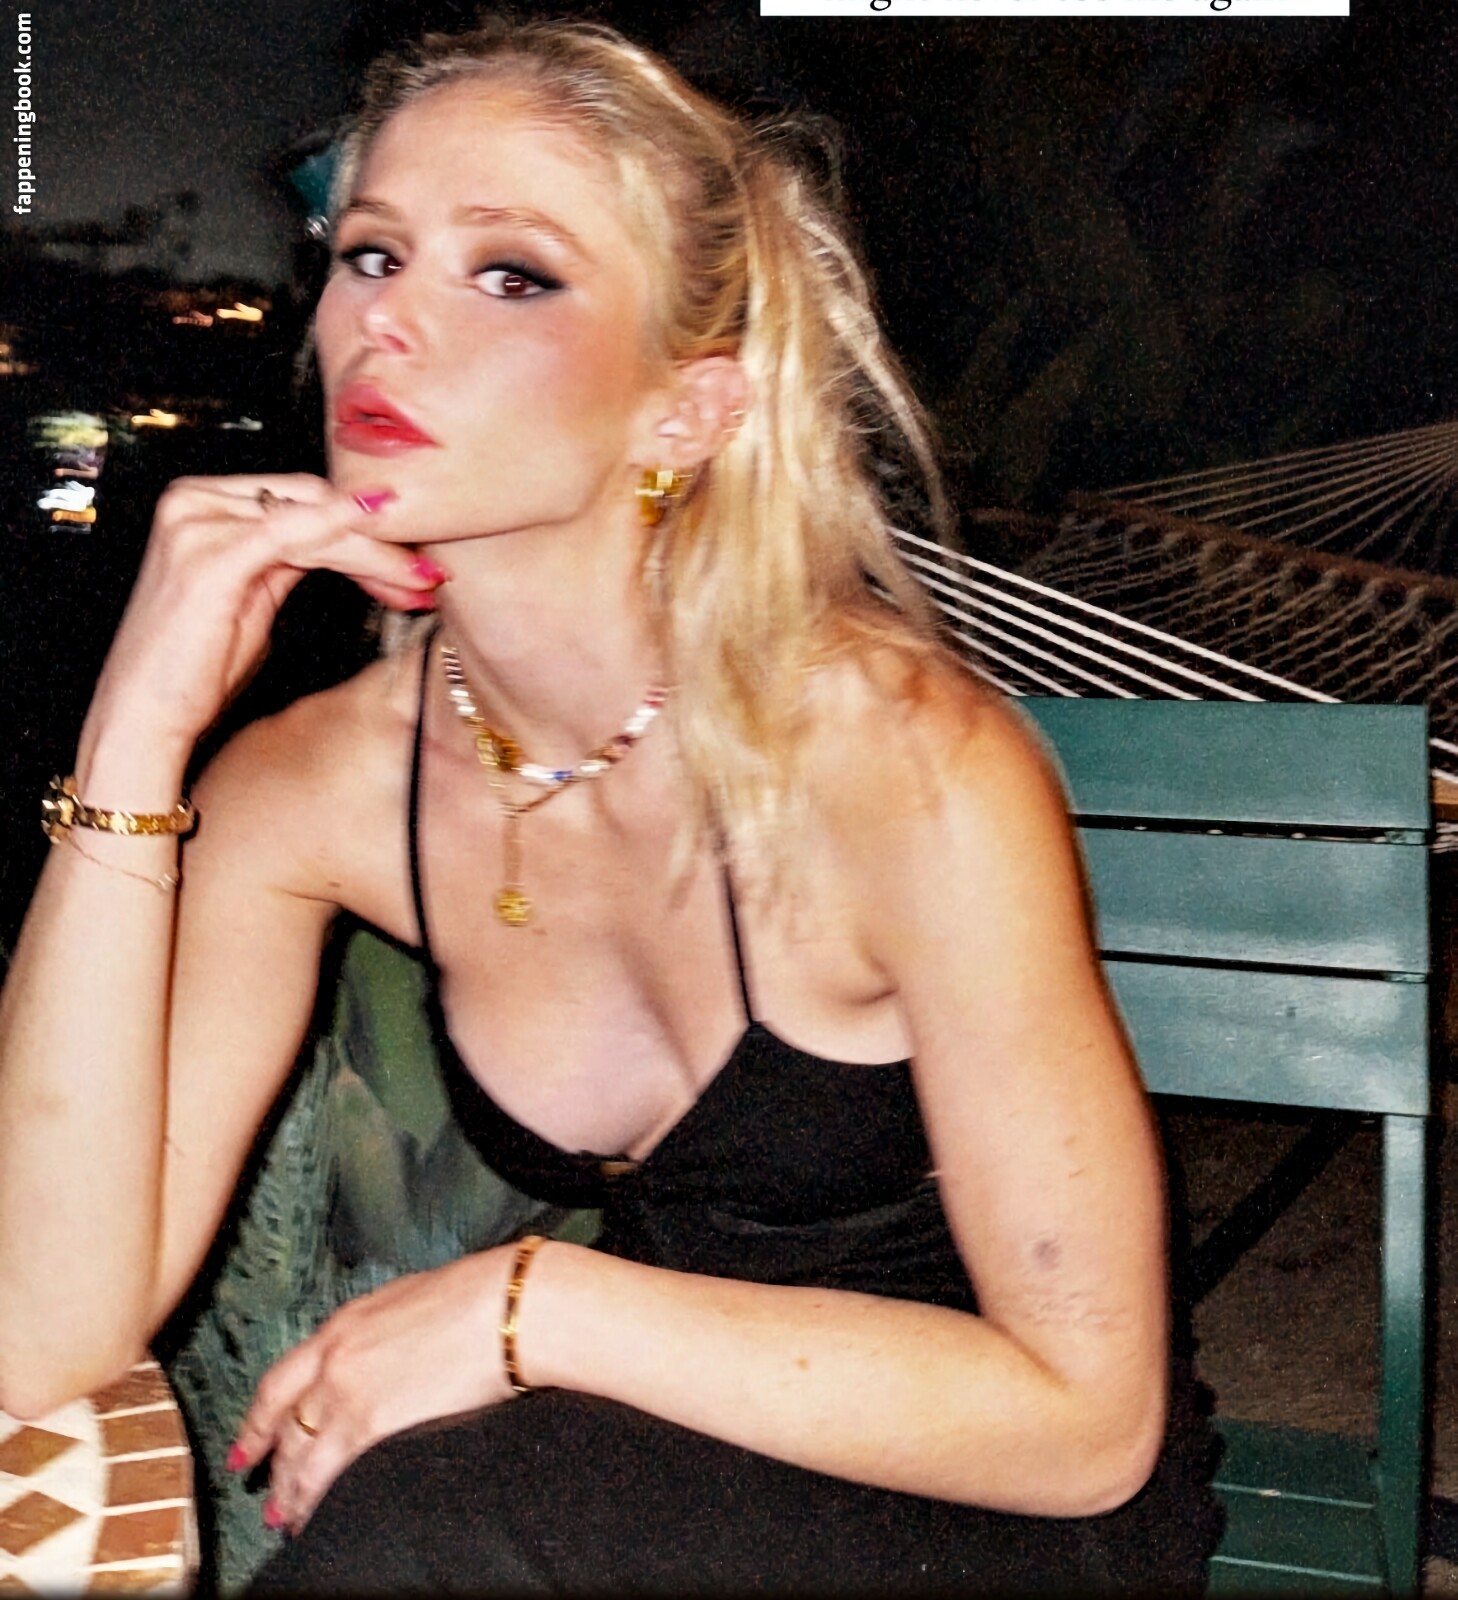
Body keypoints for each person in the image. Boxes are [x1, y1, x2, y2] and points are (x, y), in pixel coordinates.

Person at [0, 17, 1220, 1593]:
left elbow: (1083, 1426)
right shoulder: (320, 784)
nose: (389, 322)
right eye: (371, 254)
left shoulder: (896, 766)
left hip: (996, 1484)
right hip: (669, 1444)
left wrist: (533, 1307)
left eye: (510, 274)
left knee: (428, 1524)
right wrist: (132, 739)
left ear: (685, 410)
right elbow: (39, 1332)